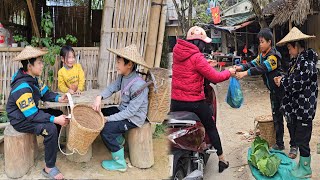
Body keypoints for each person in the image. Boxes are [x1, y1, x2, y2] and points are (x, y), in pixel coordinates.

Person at [170, 26, 236, 173]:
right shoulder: (197, 57)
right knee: (211, 126)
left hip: (175, 102)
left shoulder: (177, 53)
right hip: (193, 103)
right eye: (203, 43)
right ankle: (222, 159)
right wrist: (229, 72)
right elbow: (215, 77)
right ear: (199, 43)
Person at [6, 46, 69, 179]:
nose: (42, 65)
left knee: (56, 114)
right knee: (51, 127)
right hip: (21, 120)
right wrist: (54, 120)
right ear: (29, 65)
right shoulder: (22, 86)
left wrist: (59, 98)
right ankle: (49, 168)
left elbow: (45, 93)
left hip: (30, 113)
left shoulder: (34, 78)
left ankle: (52, 147)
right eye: (40, 63)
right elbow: (32, 115)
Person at [234, 28, 296, 155]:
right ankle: (279, 144)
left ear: (269, 42)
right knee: (276, 117)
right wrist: (240, 67)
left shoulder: (273, 56)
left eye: (262, 42)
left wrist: (245, 73)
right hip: (273, 92)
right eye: (259, 42)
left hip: (283, 91)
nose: (260, 44)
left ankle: (294, 146)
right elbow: (253, 63)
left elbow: (262, 68)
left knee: (288, 117)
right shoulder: (261, 56)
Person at [92, 44, 150, 172]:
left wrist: (109, 119)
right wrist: (99, 97)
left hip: (133, 118)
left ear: (129, 64)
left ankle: (120, 163)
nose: (116, 65)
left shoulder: (139, 86)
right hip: (123, 111)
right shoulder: (123, 76)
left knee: (106, 130)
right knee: (99, 113)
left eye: (119, 62)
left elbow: (131, 112)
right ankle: (119, 139)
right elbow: (112, 87)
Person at [274, 27, 318, 178]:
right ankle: (302, 165)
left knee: (303, 141)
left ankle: (306, 170)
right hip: (298, 108)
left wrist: (283, 80)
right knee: (299, 138)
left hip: (304, 108)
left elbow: (296, 83)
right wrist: (283, 79)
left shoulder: (306, 62)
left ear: (297, 46)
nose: (288, 51)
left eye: (289, 48)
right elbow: (293, 79)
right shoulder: (297, 61)